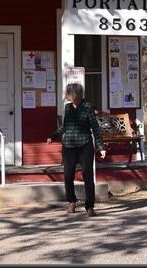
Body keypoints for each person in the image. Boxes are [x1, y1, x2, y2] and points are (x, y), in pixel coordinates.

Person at [47, 83, 106, 217]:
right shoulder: (67, 108)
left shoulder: (88, 107)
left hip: (85, 145)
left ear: (73, 94)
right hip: (69, 147)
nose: (65, 95)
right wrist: (53, 136)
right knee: (68, 175)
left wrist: (101, 147)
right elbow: (64, 127)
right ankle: (71, 202)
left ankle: (89, 206)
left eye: (67, 93)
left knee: (88, 176)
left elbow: (95, 128)